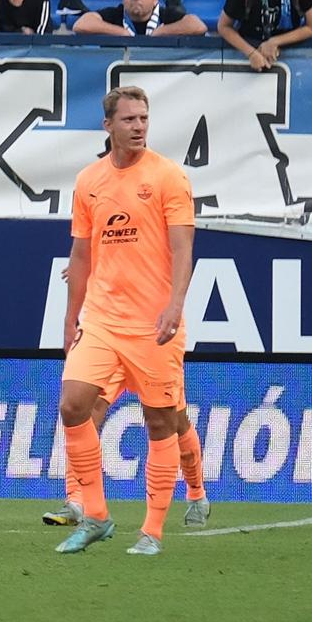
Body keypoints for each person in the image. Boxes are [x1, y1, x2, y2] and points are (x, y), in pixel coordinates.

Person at [51, 86, 195, 557]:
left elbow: (182, 249)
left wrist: (175, 304)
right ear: (107, 125)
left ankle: (152, 530)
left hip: (153, 323)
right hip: (103, 320)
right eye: (129, 119)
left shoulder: (169, 177)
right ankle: (95, 514)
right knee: (73, 405)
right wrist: (71, 316)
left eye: (144, 119)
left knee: (160, 422)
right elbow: (81, 253)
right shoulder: (88, 181)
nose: (138, 126)